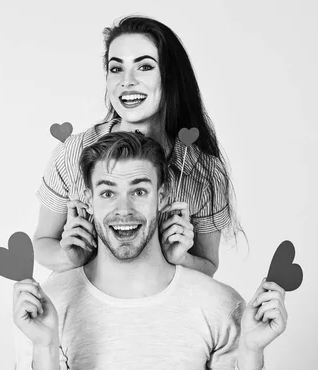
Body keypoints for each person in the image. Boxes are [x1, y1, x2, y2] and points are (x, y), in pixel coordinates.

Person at [13, 132, 287, 370]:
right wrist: (45, 347)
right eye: (108, 193)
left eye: (140, 192)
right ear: (89, 200)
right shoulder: (49, 309)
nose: (124, 209)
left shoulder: (221, 307)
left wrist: (251, 351)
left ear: (163, 197)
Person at [34, 15, 242, 278]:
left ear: (170, 77)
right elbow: (42, 243)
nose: (127, 81)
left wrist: (179, 257)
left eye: (144, 67)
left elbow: (208, 265)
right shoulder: (74, 152)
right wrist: (71, 255)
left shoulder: (204, 172)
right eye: (116, 68)